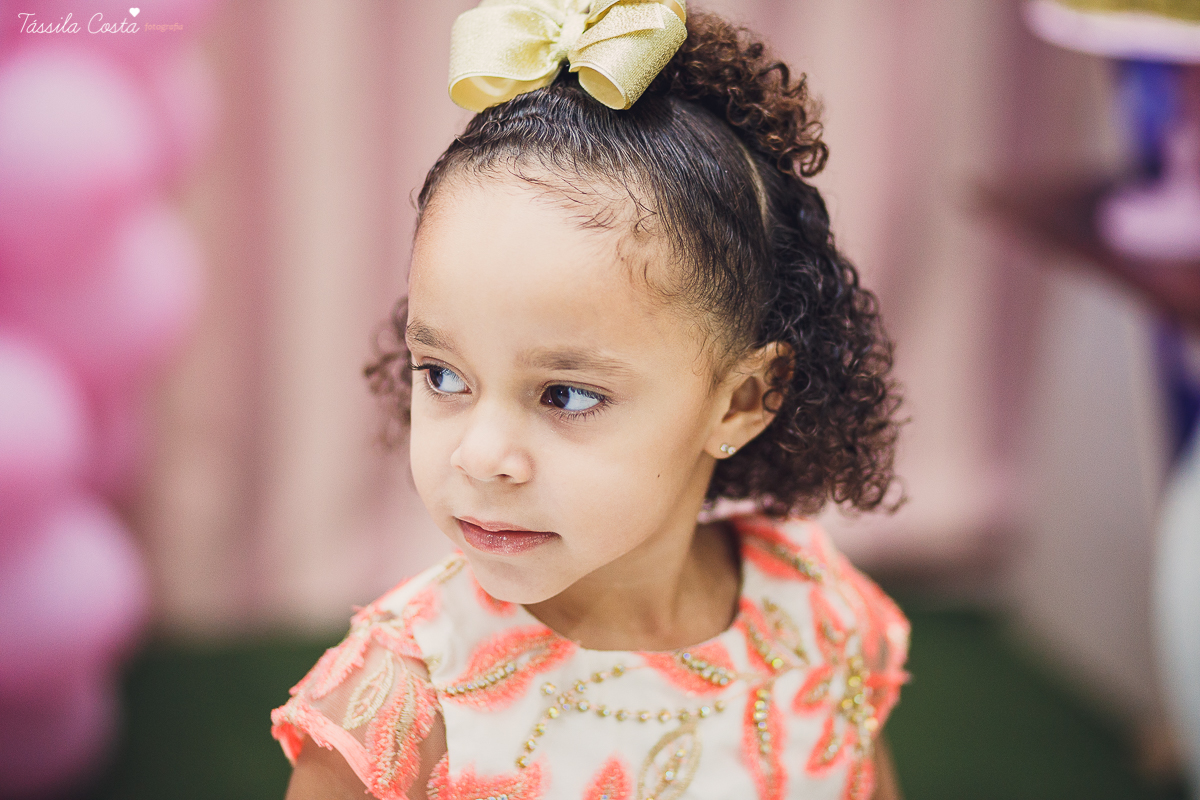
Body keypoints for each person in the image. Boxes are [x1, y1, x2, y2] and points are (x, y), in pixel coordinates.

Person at [272, 2, 910, 798]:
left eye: (565, 394)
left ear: (742, 399)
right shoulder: (398, 706)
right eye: (443, 375)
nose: (480, 456)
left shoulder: (816, 613)